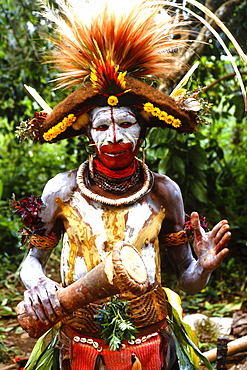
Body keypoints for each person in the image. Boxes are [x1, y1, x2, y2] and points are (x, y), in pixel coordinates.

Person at [16, 1, 233, 369]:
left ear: (144, 130)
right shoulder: (62, 190)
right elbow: (32, 262)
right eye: (102, 126)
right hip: (78, 341)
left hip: (150, 342)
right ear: (87, 133)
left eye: (126, 124)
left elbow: (188, 281)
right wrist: (39, 285)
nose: (114, 137)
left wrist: (204, 266)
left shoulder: (164, 192)